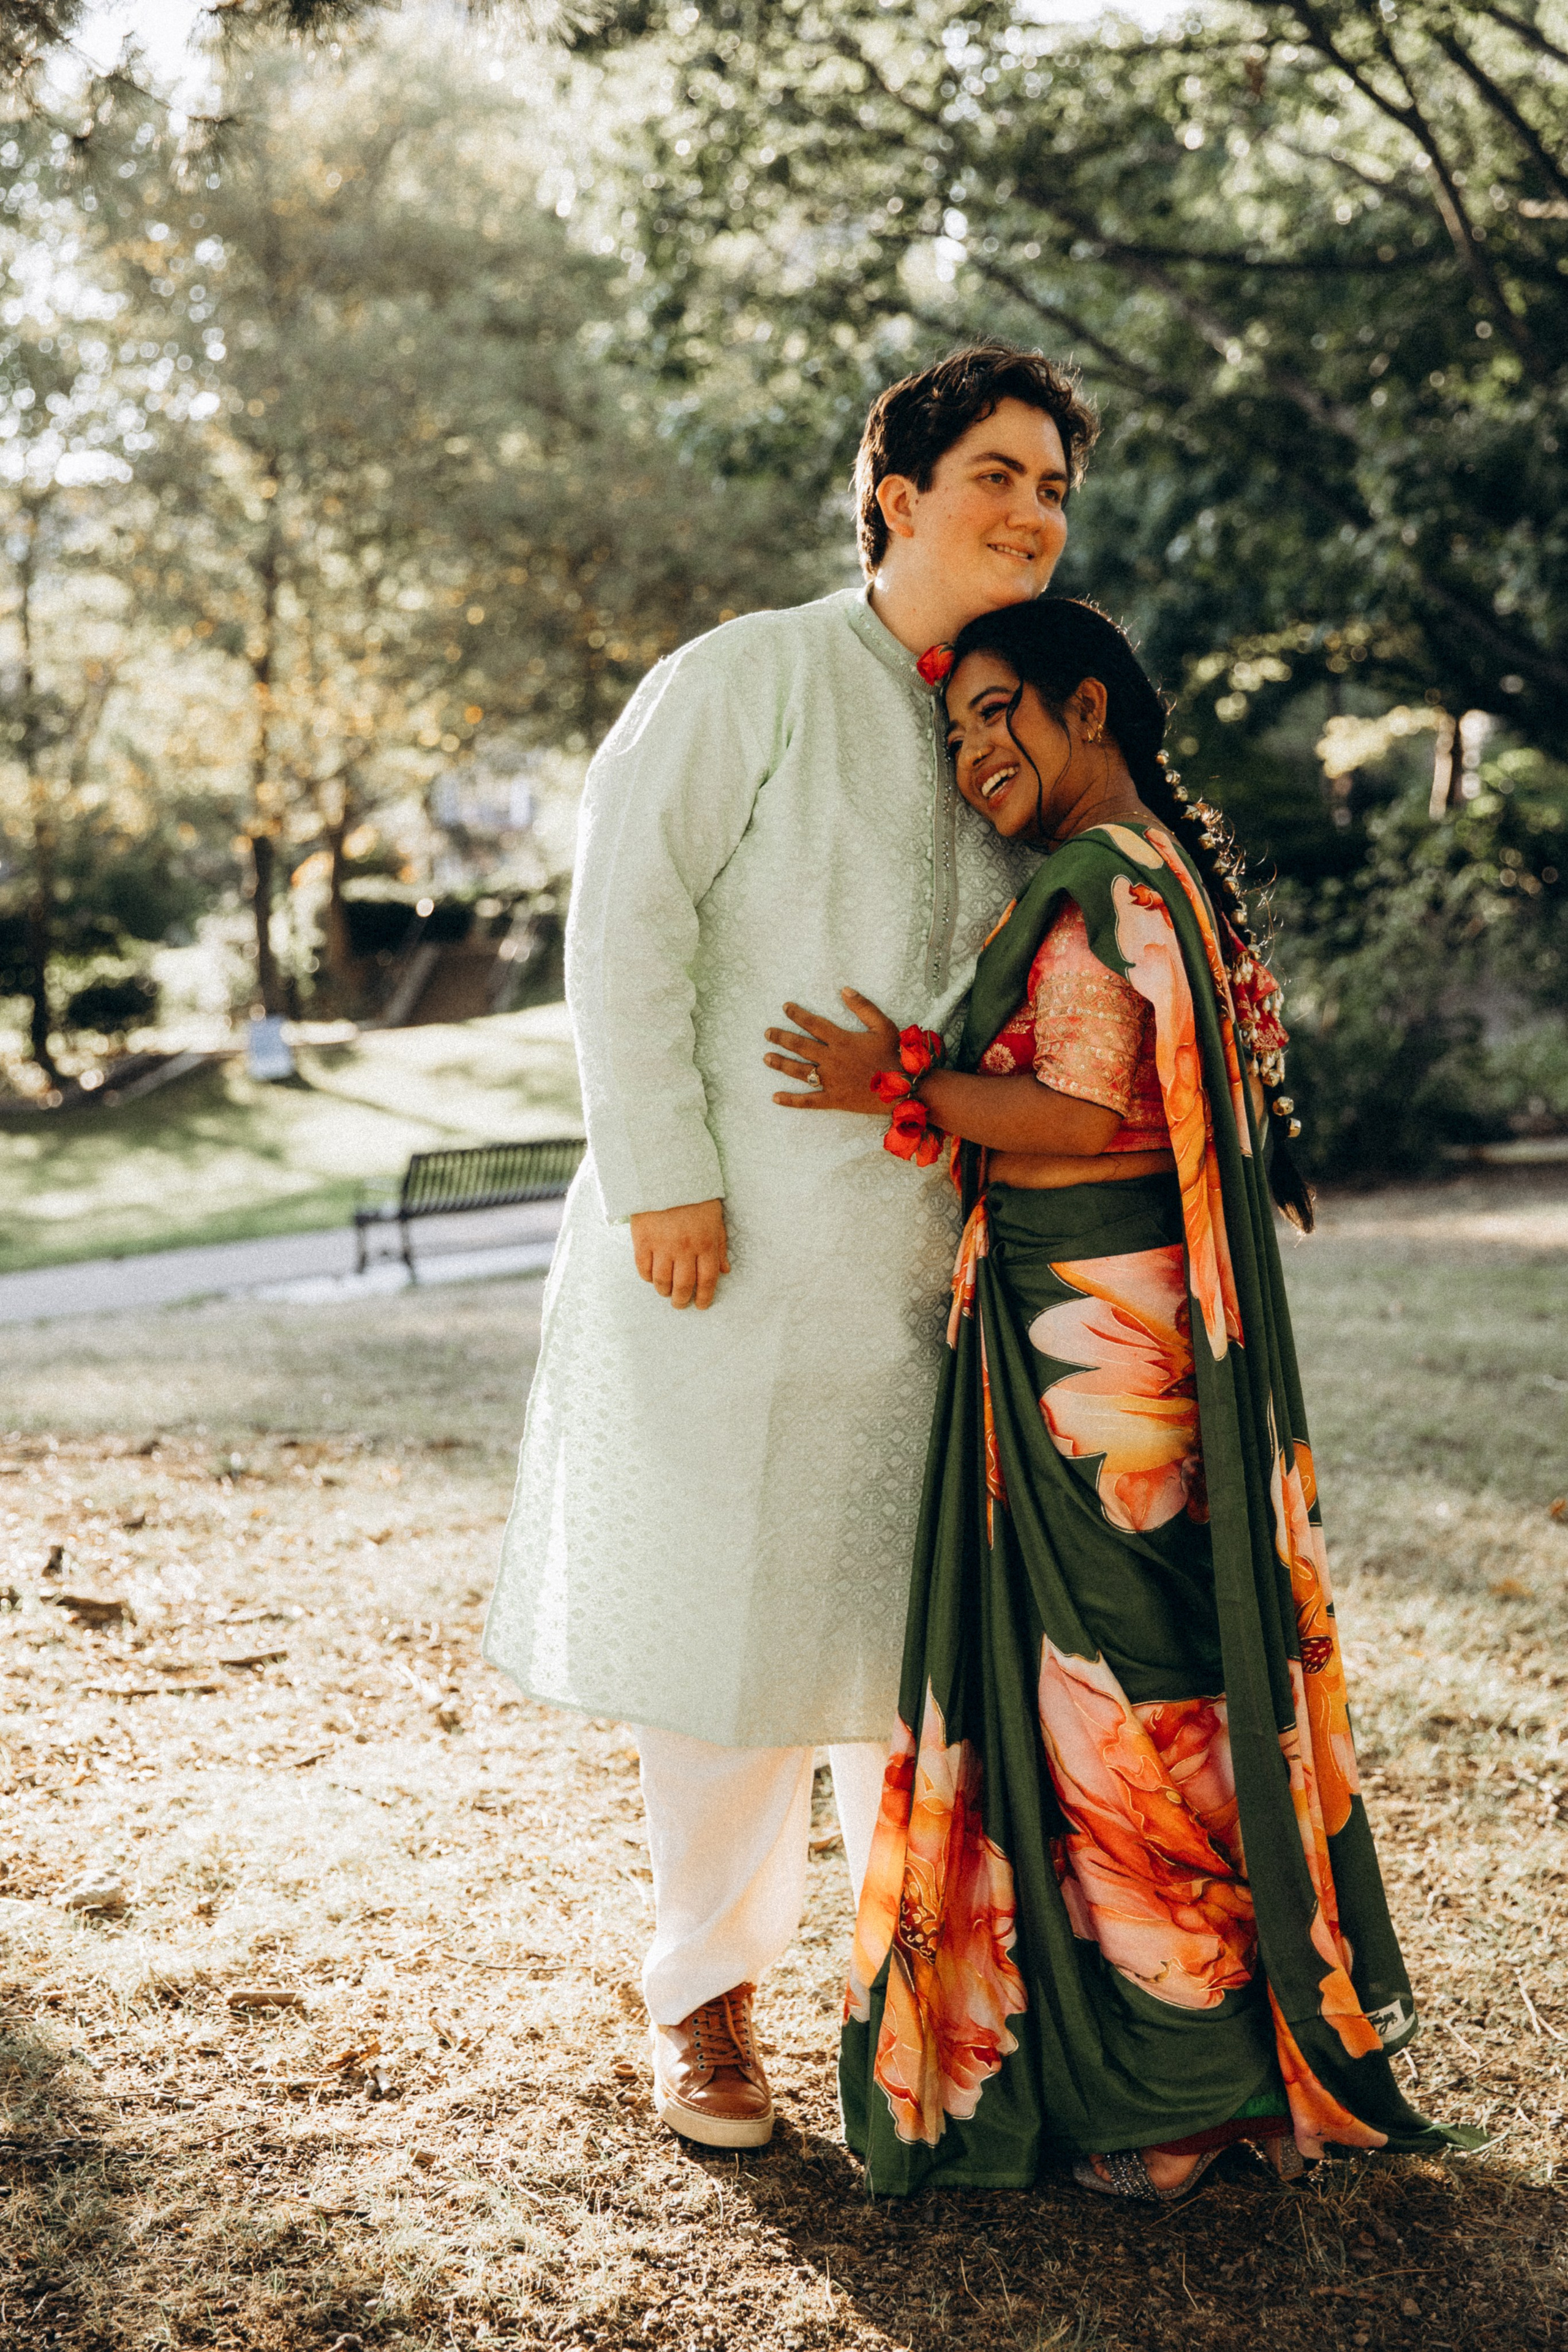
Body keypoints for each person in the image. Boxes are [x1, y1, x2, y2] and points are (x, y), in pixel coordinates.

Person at [763, 598, 1477, 2198]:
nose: (973, 753)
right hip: (1141, 1334)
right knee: (1153, 1676)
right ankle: (1199, 2059)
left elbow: (1082, 1117)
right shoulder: (1161, 876)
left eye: (1000, 712)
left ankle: (1174, 2084)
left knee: (1113, 1690)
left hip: (1097, 1348)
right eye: (954, 732)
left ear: (1091, 708)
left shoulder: (1100, 884)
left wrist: (899, 1077)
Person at [483, 345, 1099, 2149]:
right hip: (727, 1248)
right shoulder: (745, 675)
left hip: (936, 1268)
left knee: (908, 1658)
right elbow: (629, 917)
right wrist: (663, 1169)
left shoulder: (1025, 717)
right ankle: (706, 2000)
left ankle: (917, 2002)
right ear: (895, 494)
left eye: (1056, 487)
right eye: (998, 473)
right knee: (731, 1646)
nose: (1034, 512)